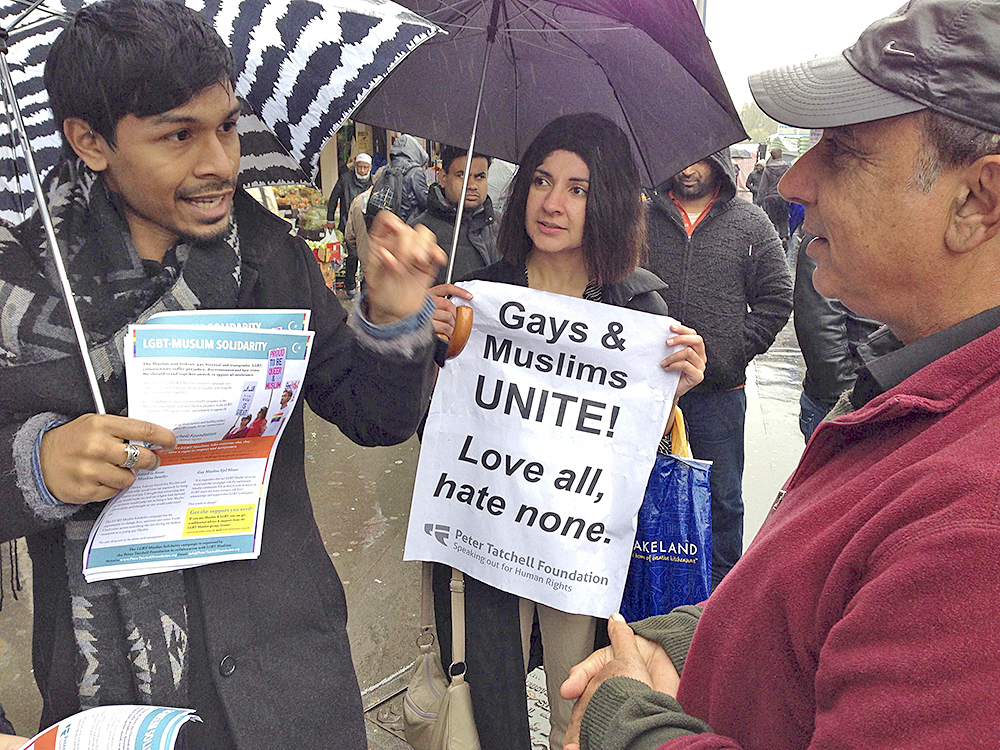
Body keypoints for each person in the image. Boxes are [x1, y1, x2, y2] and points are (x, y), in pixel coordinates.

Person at [0, 1, 444, 747]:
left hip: (289, 678)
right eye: (179, 135)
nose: (218, 163)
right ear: (90, 140)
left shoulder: (268, 255)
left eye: (227, 127)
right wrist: (38, 464)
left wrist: (396, 318)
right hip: (113, 703)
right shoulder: (20, 289)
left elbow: (376, 417)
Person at [560, 1, 1000, 747]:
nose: (795, 182)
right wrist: (700, 633)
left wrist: (628, 727)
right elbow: (827, 595)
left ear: (975, 202)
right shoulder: (919, 391)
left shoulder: (976, 525)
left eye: (844, 150)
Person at [430, 113, 706, 750]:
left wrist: (671, 394)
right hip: (487, 531)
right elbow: (434, 427)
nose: (553, 204)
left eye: (578, 189)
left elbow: (645, 449)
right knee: (490, 694)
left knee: (577, 702)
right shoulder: (479, 294)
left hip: (579, 544)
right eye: (542, 181)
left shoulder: (639, 310)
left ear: (606, 202)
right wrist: (429, 345)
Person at [644, 150, 793, 587]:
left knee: (721, 502)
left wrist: (730, 354)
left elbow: (776, 297)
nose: (687, 168)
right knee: (640, 493)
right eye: (682, 159)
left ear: (720, 163)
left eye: (700, 160)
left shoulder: (750, 224)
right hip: (647, 390)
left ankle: (716, 603)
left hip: (720, 398)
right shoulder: (642, 220)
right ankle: (644, 596)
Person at [794, 234, 881, 440]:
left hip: (876, 390)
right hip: (845, 398)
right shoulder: (827, 237)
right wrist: (848, 394)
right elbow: (820, 331)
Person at [410, 144, 499, 286]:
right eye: (461, 175)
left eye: (480, 177)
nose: (472, 185)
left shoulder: (503, 226)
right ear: (443, 178)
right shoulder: (418, 230)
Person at [326, 153, 372, 298]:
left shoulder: (373, 182)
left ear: (370, 168)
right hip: (348, 223)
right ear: (355, 167)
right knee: (353, 255)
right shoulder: (345, 180)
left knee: (367, 256)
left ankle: (366, 286)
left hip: (367, 226)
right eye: (360, 167)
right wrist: (330, 220)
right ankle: (350, 284)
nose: (363, 170)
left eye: (366, 168)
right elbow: (333, 199)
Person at [387, 133, 430, 222]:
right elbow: (425, 201)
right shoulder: (415, 171)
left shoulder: (388, 168)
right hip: (409, 222)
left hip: (390, 221)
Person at [758, 146, 791, 247]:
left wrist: (759, 201)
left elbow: (763, 186)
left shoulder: (768, 169)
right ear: (781, 156)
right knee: (783, 219)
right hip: (783, 197)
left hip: (771, 198)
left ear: (771, 157)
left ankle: (774, 240)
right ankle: (784, 237)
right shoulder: (786, 168)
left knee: (771, 219)